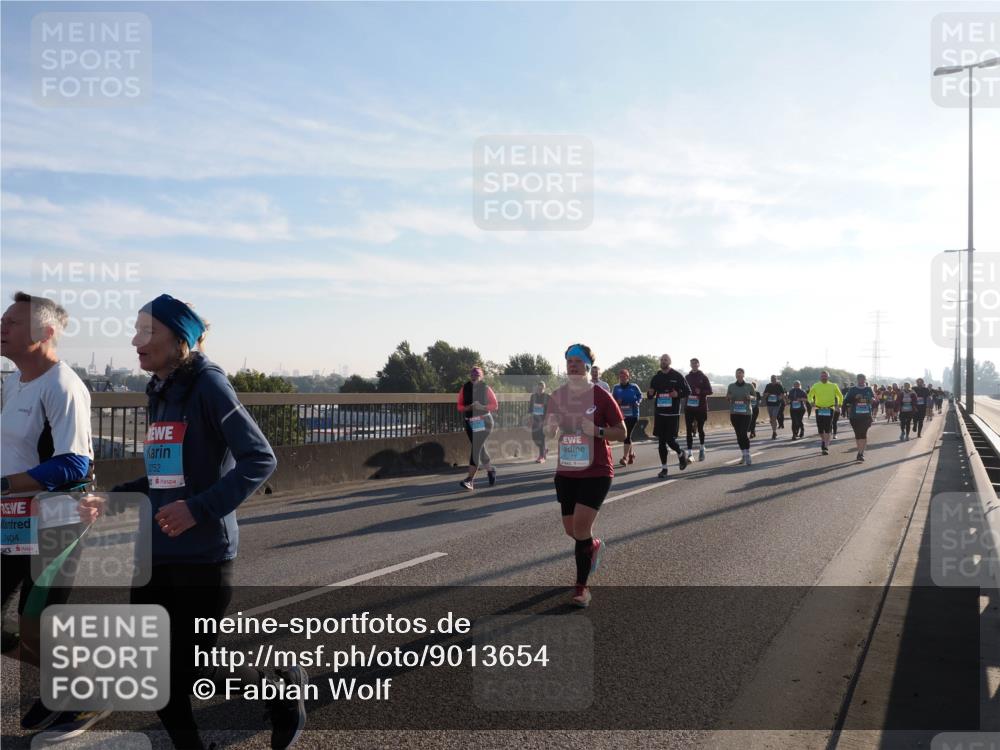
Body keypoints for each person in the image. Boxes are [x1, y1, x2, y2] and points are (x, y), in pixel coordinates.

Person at [78, 294, 304, 750]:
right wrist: (112, 498)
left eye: (147, 331)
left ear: (177, 338)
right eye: (136, 330)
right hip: (156, 550)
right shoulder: (159, 391)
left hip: (202, 554)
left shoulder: (208, 386)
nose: (135, 341)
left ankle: (278, 685)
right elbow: (165, 475)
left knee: (191, 668)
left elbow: (260, 459)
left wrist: (197, 509)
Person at [0, 292, 102, 737]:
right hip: (14, 520)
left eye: (13, 323)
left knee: (36, 623)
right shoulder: (14, 381)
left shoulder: (63, 385)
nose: (2, 328)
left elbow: (74, 464)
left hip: (57, 522)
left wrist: (3, 486)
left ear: (45, 333)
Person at [545, 344, 626, 608]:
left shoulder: (601, 396)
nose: (572, 364)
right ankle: (593, 545)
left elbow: (621, 431)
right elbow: (549, 432)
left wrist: (598, 431)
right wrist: (550, 428)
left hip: (597, 470)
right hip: (567, 470)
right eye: (569, 360)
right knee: (572, 530)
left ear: (588, 368)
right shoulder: (557, 396)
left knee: (580, 527)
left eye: (578, 361)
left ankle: (581, 588)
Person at [647, 354, 691, 479]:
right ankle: (664, 469)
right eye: (661, 360)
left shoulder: (677, 376)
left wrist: (678, 394)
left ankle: (680, 453)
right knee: (661, 442)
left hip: (672, 413)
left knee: (670, 440)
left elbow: (688, 391)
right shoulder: (656, 377)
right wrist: (650, 394)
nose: (663, 361)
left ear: (670, 362)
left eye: (665, 360)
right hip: (660, 413)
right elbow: (651, 395)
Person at [457, 366, 498, 490]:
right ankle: (491, 470)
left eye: (477, 375)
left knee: (476, 448)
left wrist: (482, 407)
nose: (474, 377)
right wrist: (467, 408)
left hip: (484, 421)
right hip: (471, 422)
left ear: (481, 377)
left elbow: (495, 405)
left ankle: (470, 480)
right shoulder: (465, 388)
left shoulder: (486, 388)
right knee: (480, 448)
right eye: (472, 375)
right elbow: (459, 406)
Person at [807, 371, 843, 456]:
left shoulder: (834, 386)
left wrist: (840, 404)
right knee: (820, 430)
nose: (824, 377)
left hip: (829, 408)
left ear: (828, 377)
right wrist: (811, 402)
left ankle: (826, 447)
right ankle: (823, 440)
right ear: (820, 377)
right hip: (819, 409)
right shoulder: (816, 385)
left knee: (827, 428)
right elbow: (809, 395)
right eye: (822, 376)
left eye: (825, 376)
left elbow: (840, 396)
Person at [612, 369, 643, 466]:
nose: (622, 378)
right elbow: (612, 400)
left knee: (627, 435)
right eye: (620, 376)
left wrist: (638, 402)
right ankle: (631, 454)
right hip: (621, 415)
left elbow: (640, 396)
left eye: (624, 376)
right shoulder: (616, 388)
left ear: (628, 377)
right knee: (627, 436)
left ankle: (624, 458)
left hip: (633, 414)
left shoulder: (634, 387)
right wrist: (617, 402)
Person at [684, 358, 713, 462]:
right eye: (692, 363)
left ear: (698, 364)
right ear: (690, 365)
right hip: (689, 407)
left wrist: (700, 391)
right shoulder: (687, 377)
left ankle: (701, 448)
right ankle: (690, 453)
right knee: (688, 430)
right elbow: (683, 390)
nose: (694, 365)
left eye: (696, 363)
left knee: (700, 429)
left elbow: (710, 391)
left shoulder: (703, 377)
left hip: (701, 407)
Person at [843, 374, 875, 462]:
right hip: (855, 416)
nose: (861, 380)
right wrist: (854, 398)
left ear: (865, 379)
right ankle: (860, 451)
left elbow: (874, 399)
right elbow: (846, 401)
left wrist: (872, 400)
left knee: (863, 433)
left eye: (863, 379)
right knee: (857, 435)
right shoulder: (852, 389)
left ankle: (860, 453)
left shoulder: (868, 389)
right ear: (857, 379)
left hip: (866, 416)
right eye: (859, 379)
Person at [727, 368, 755, 465]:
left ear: (743, 375)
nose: (738, 375)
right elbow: (727, 397)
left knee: (743, 433)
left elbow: (755, 397)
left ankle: (747, 454)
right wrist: (729, 397)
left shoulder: (749, 386)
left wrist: (750, 397)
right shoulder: (731, 386)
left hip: (746, 413)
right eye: (737, 374)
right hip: (734, 413)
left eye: (740, 373)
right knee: (739, 435)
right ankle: (743, 454)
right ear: (735, 375)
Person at [528, 381, 550, 463]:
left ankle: (542, 456)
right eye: (538, 388)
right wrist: (530, 418)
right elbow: (530, 408)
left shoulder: (547, 397)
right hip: (535, 420)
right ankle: (544, 449)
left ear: (544, 388)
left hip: (543, 420)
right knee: (534, 437)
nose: (540, 389)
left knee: (541, 437)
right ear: (536, 388)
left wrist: (547, 420)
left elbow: (550, 409)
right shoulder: (533, 396)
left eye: (542, 388)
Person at [762, 375, 786, 440]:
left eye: (774, 379)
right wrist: (767, 394)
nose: (773, 380)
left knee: (774, 418)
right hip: (769, 404)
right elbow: (764, 394)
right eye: (772, 378)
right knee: (771, 419)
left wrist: (779, 397)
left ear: (776, 379)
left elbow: (783, 394)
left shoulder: (779, 386)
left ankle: (774, 432)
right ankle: (774, 429)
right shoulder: (768, 386)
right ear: (770, 379)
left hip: (776, 404)